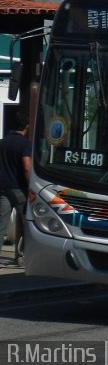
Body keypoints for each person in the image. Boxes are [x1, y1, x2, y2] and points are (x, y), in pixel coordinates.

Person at [0, 112, 31, 266]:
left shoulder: (3, 142)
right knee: (27, 223)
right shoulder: (24, 144)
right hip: (18, 188)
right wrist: (32, 185)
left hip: (3, 187)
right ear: (27, 126)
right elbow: (27, 167)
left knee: (1, 224)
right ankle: (21, 256)